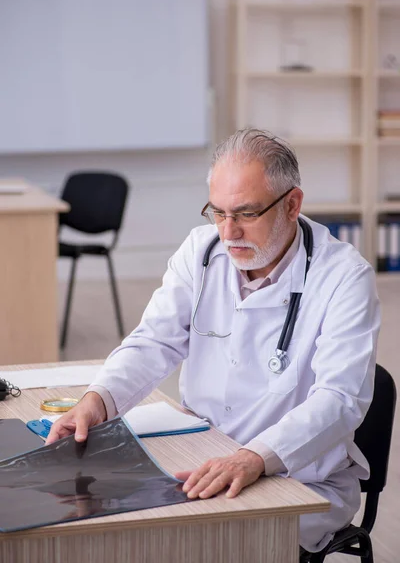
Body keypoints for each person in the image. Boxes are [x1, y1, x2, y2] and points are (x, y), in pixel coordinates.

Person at [47, 128, 380, 554]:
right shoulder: (199, 252)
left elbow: (340, 399)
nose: (228, 231)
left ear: (292, 204)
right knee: (102, 523)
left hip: (298, 476)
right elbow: (154, 340)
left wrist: (254, 457)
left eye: (245, 213)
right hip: (202, 450)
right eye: (217, 212)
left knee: (188, 543)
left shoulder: (344, 277)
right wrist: (98, 399)